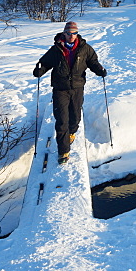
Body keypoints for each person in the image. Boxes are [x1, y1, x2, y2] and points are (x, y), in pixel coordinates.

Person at [33, 21, 106, 164]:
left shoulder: (85, 48)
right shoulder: (56, 49)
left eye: (74, 33)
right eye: (68, 33)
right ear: (64, 33)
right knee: (61, 120)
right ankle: (63, 152)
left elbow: (93, 62)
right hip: (60, 88)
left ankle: (72, 133)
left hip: (77, 88)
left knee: (75, 118)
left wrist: (100, 70)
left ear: (77, 34)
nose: (71, 36)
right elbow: (45, 63)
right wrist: (39, 70)